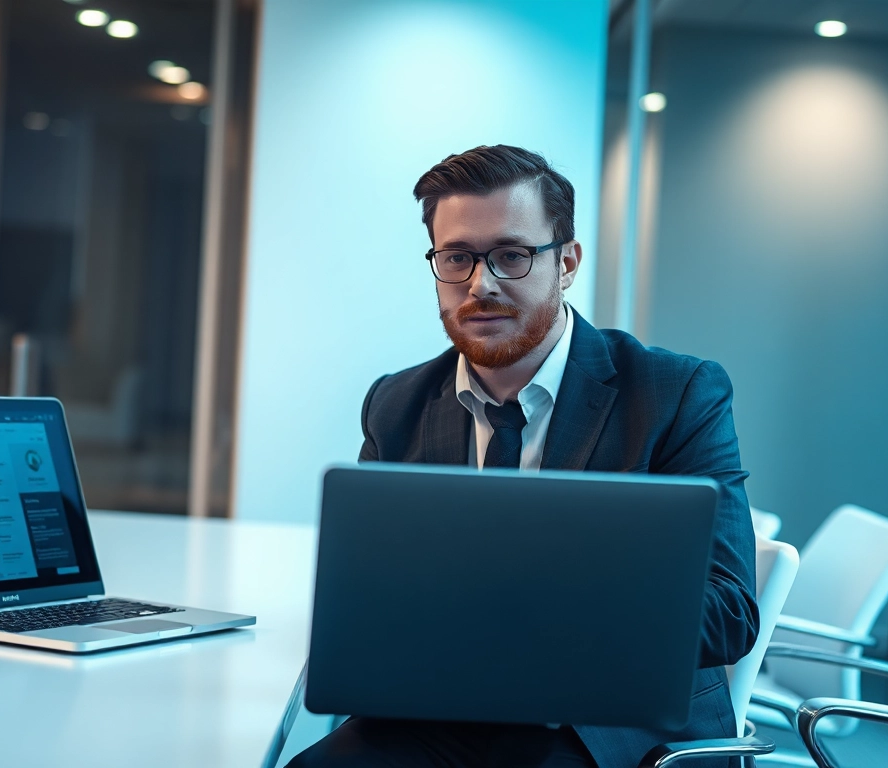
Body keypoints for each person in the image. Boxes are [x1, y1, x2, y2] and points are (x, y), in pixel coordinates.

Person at [290, 145, 758, 768]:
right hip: (433, 710)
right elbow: (373, 592)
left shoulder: (673, 393)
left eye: (512, 255)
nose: (480, 285)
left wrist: (534, 616)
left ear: (566, 262)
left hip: (606, 721)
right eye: (457, 258)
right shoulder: (395, 403)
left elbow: (729, 610)